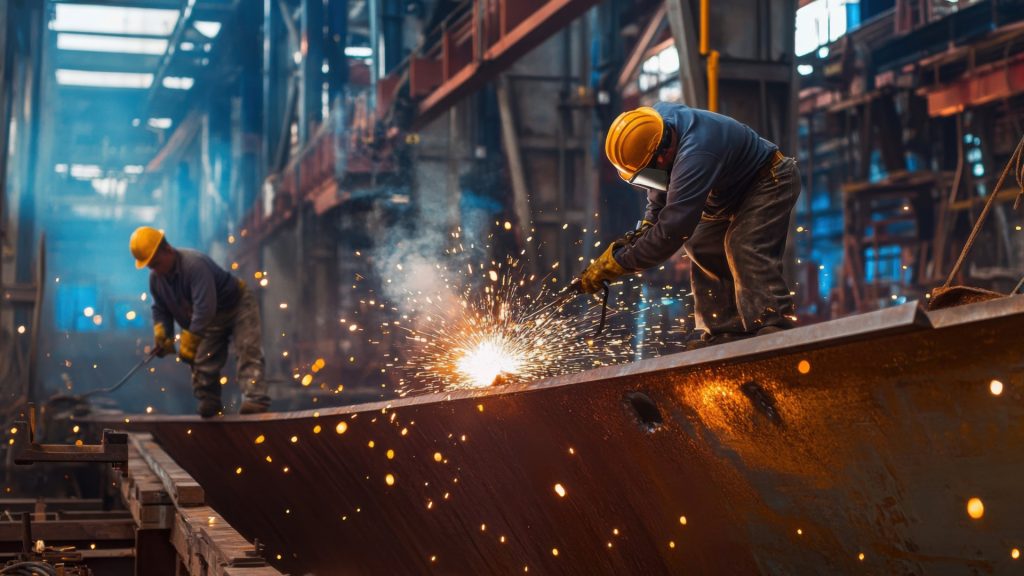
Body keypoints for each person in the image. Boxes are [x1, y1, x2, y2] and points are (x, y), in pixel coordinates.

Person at [581, 103, 800, 347]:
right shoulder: (654, 126)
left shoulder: (695, 155)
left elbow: (672, 231)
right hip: (727, 194)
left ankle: (774, 325)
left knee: (742, 244)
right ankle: (726, 331)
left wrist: (619, 263)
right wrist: (645, 226)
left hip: (769, 179)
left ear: (663, 155)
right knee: (701, 243)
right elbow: (660, 190)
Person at [130, 226, 271, 416]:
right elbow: (161, 309)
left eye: (156, 262)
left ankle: (255, 400)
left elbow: (205, 307)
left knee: (247, 350)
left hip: (237, 306)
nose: (155, 269)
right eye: (150, 265)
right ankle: (210, 402)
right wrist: (163, 335)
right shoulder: (156, 279)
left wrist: (190, 340)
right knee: (202, 360)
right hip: (209, 319)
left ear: (168, 249)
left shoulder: (194, 265)